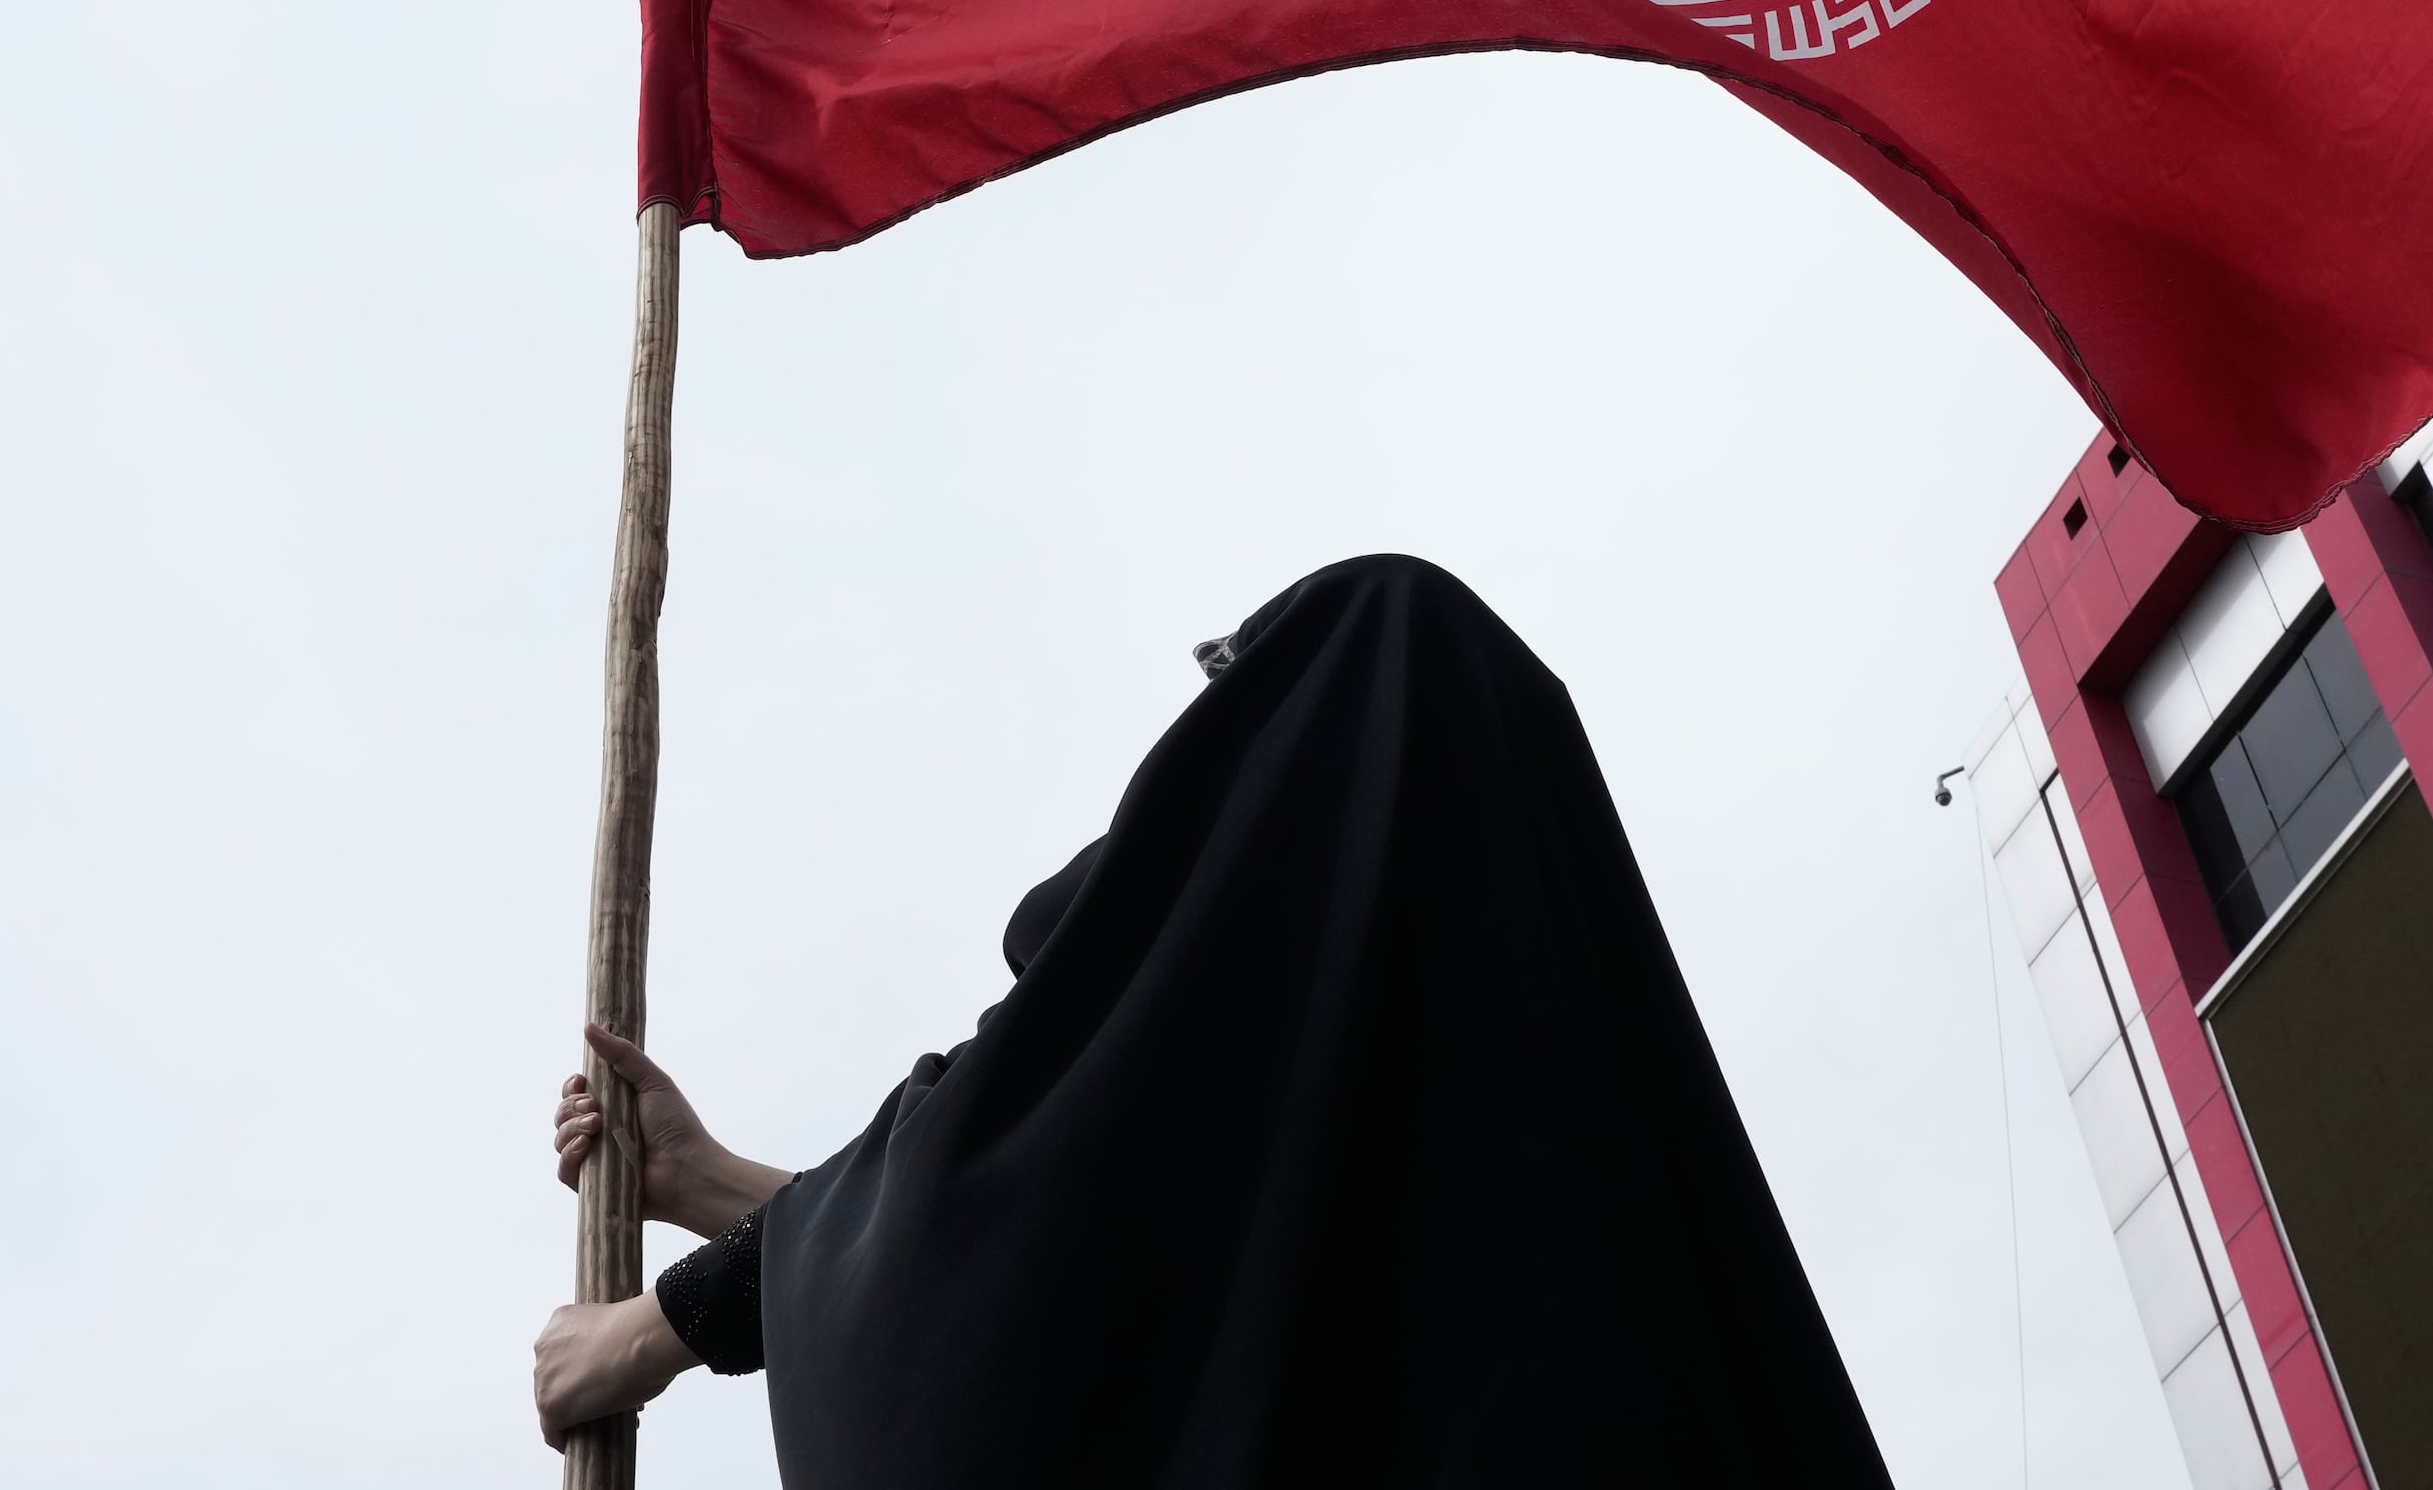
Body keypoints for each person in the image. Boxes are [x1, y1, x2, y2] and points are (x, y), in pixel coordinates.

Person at [534, 553, 1895, 1486]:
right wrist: (711, 1188)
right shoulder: (1606, 1196)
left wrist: (651, 1330)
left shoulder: (1318, 940)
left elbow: (1021, 1225)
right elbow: (1111, 1228)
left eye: (1238, 702)